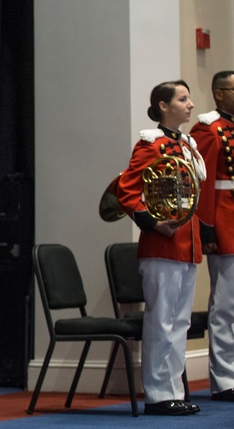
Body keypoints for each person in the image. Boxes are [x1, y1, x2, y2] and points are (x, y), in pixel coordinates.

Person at [117, 80, 206, 416]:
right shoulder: (150, 145)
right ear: (163, 106)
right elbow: (126, 191)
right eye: (182, 99)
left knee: (179, 323)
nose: (190, 104)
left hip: (187, 243)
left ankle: (173, 389)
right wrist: (153, 223)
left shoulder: (187, 144)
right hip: (162, 245)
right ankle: (156, 394)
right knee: (161, 322)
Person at [189, 71, 234, 402]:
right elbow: (202, 184)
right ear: (219, 94)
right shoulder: (209, 128)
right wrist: (206, 227)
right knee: (226, 307)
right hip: (225, 222)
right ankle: (225, 379)